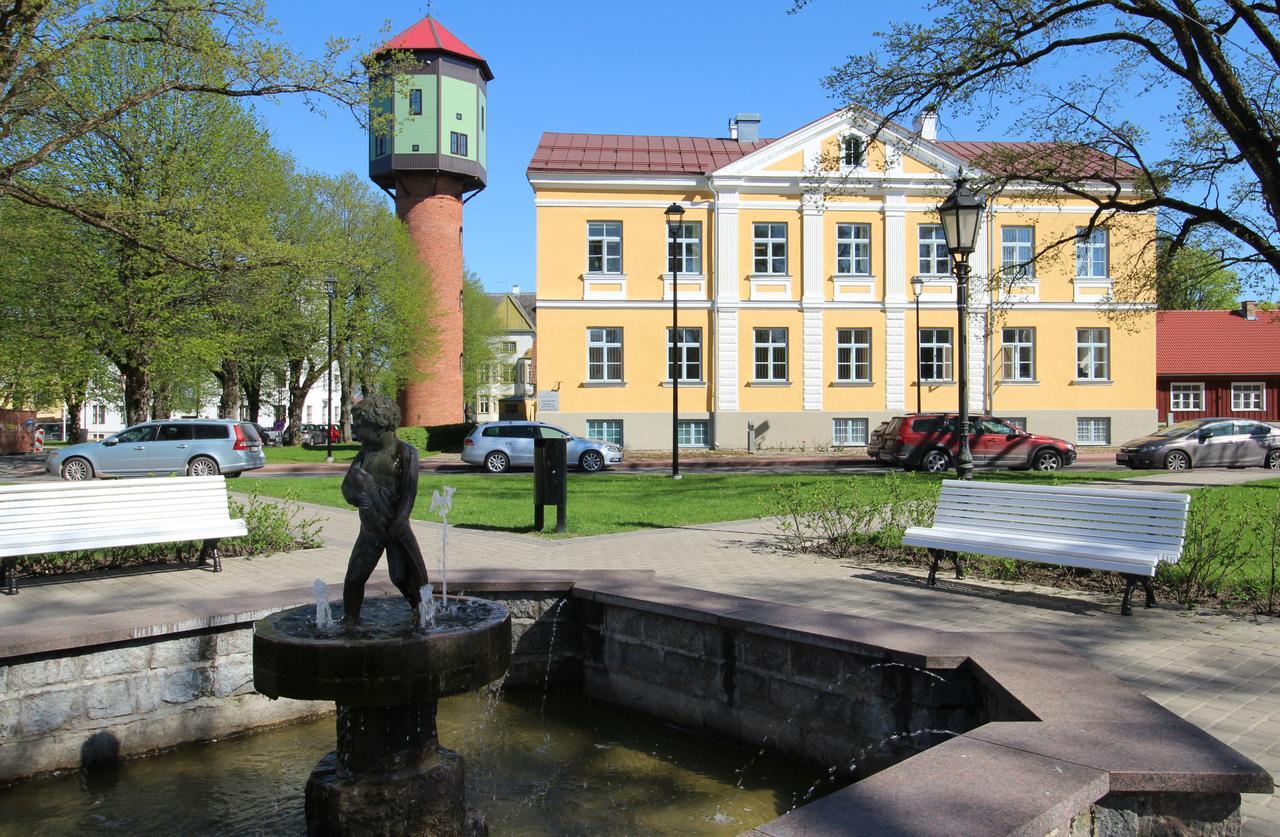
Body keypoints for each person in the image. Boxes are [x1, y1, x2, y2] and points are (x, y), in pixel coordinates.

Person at [339, 395, 429, 625]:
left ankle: (422, 611)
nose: (357, 434)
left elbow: (409, 492)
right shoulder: (364, 455)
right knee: (354, 577)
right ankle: (350, 620)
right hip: (370, 530)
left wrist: (400, 520)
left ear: (379, 428)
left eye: (361, 428)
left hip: (396, 527)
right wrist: (354, 497)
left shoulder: (406, 453)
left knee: (402, 575)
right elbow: (347, 485)